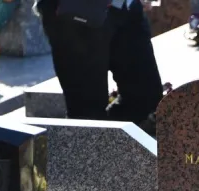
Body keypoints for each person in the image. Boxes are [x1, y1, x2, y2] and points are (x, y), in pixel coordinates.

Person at [35, 0, 163, 127]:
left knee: (145, 102)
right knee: (88, 115)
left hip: (125, 7)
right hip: (76, 13)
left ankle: (113, 140)